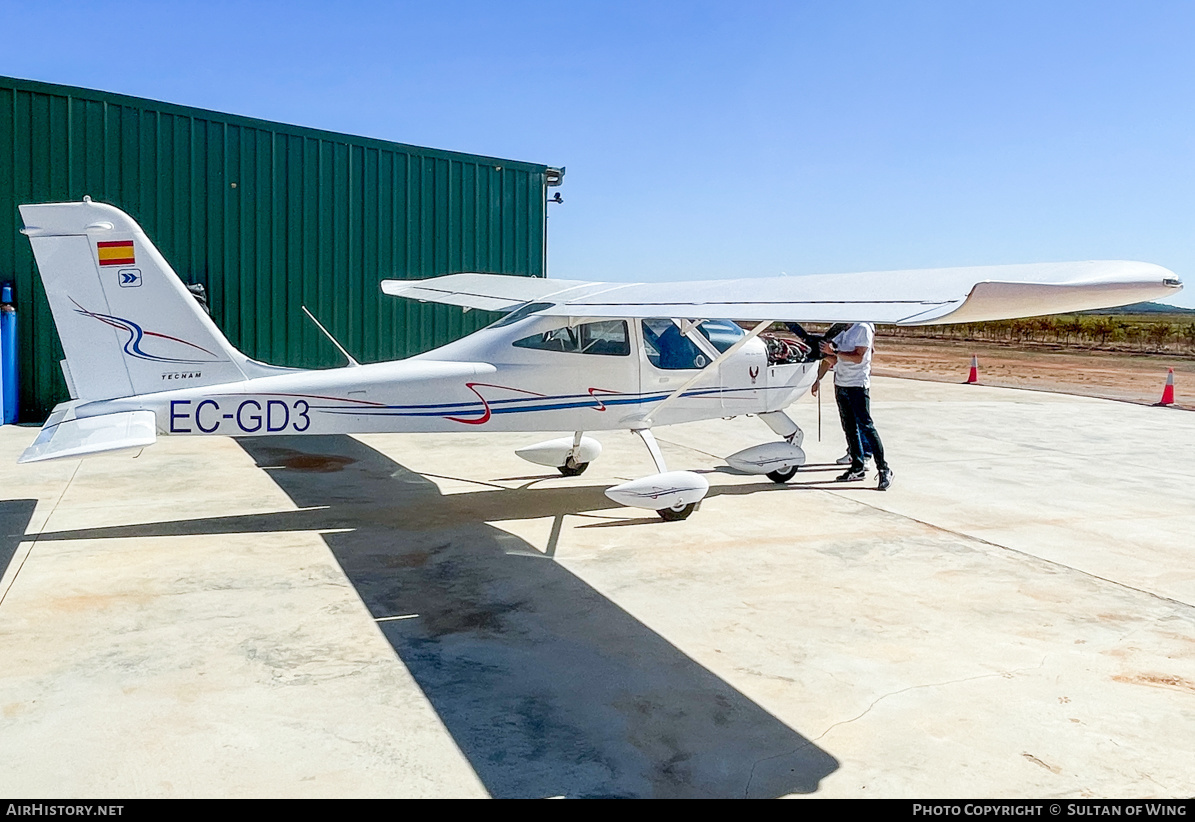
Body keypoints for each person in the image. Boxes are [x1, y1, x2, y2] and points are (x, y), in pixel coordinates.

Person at [810, 322, 893, 491]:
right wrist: (818, 374)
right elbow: (832, 360)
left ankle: (884, 468)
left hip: (857, 385)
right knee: (849, 427)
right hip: (841, 383)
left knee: (866, 426)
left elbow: (858, 357)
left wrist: (833, 351)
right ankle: (857, 466)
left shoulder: (862, 328)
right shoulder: (841, 330)